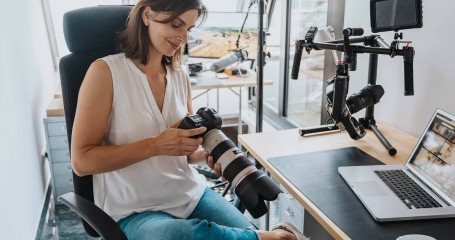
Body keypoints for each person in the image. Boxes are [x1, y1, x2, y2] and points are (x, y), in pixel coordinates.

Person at [70, 0, 307, 239]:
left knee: (231, 232)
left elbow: (188, 151)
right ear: (147, 15)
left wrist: (211, 155)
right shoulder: (105, 72)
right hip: (135, 210)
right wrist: (156, 144)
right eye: (176, 25)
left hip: (190, 194)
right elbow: (82, 161)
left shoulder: (179, 76)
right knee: (175, 235)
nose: (183, 37)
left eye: (189, 29)